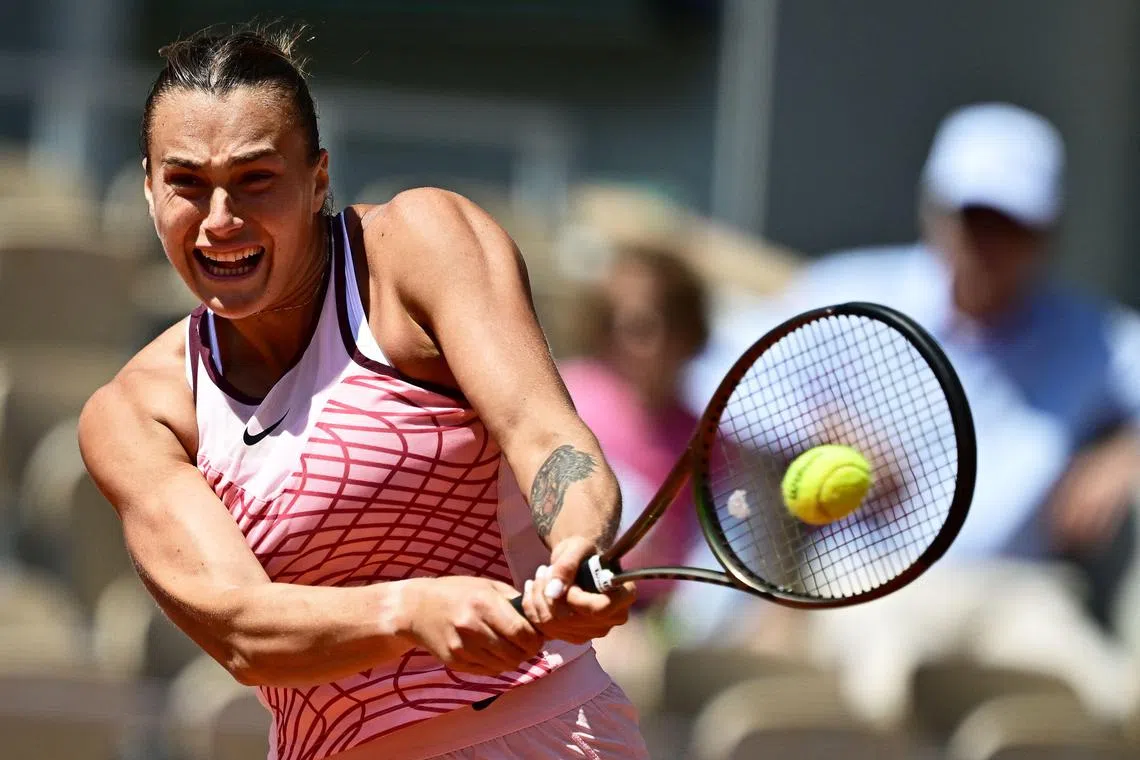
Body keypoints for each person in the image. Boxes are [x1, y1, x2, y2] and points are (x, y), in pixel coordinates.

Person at [78, 23, 648, 760]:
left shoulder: (421, 243)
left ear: (317, 179)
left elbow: (546, 435)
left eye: (256, 180)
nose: (221, 220)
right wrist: (408, 611)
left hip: (543, 735)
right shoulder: (137, 414)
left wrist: (577, 543)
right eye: (187, 183)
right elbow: (243, 628)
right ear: (150, 187)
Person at [683, 102, 1140, 724]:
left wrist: (1125, 455)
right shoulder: (851, 290)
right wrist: (823, 430)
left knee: (1103, 706)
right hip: (868, 579)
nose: (986, 243)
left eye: (1010, 224)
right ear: (936, 213)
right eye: (973, 218)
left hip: (1019, 589)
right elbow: (713, 373)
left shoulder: (1090, 333)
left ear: (1046, 233)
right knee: (887, 692)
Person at [559, 244, 709, 610]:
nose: (640, 343)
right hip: (573, 604)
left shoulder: (708, 438)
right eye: (618, 324)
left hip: (667, 617)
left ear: (688, 334)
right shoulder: (563, 400)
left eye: (655, 325)